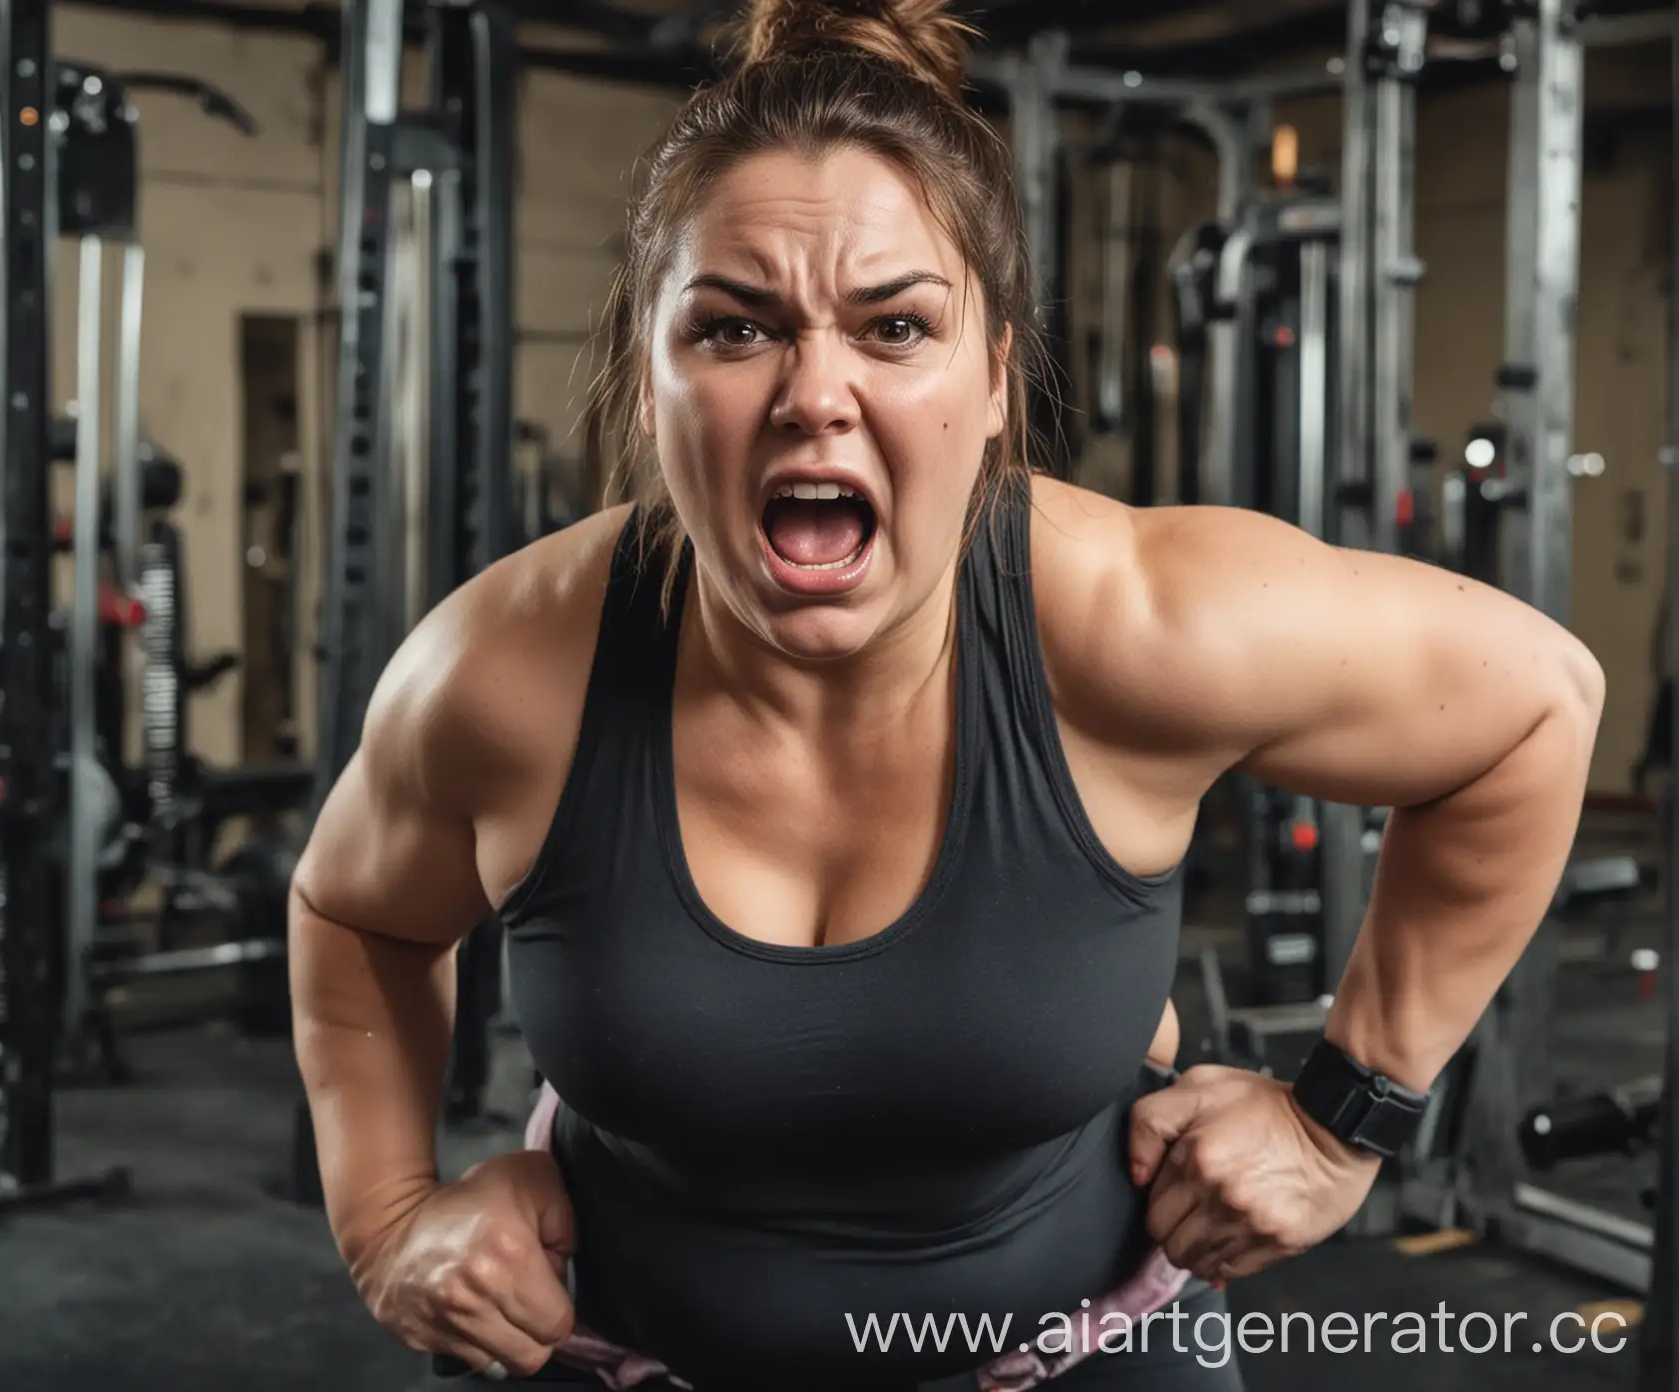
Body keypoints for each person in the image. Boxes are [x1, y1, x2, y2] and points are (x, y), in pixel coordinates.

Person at [288, 0, 1605, 1386]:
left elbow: (1534, 707)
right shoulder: (507, 673)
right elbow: (353, 912)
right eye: (735, 331)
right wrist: (388, 1224)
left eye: (896, 326)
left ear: (992, 378)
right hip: (631, 1352)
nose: (815, 393)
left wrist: (1344, 1118)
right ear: (647, 379)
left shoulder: (1128, 622)